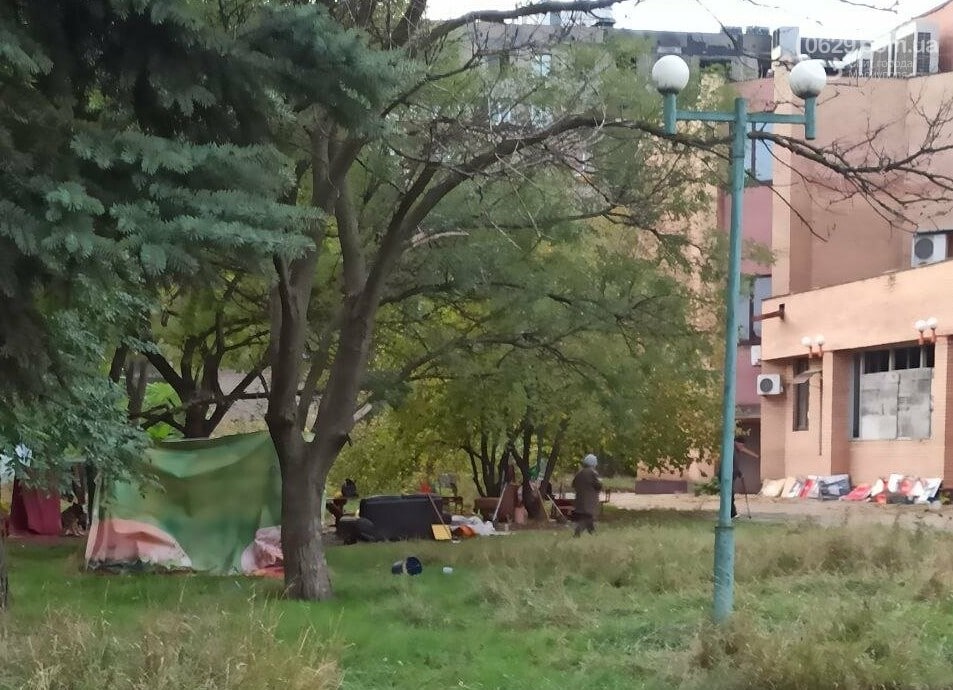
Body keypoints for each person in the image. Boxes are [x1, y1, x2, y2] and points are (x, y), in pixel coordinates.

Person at [571, 454, 603, 537]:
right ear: (593, 463)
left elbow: (573, 484)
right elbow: (599, 485)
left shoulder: (579, 473)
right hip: (590, 502)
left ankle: (593, 534)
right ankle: (577, 533)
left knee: (588, 519)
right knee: (587, 519)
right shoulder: (593, 473)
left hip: (579, 500)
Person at [731, 435, 760, 518]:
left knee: (730, 495)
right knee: (730, 496)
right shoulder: (733, 452)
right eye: (741, 445)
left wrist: (740, 474)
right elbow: (734, 465)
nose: (742, 447)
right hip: (728, 477)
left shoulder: (735, 451)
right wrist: (740, 474)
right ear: (736, 443)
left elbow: (735, 466)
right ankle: (732, 514)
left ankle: (732, 513)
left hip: (731, 476)